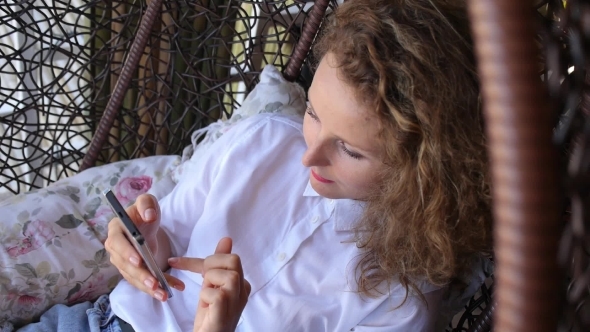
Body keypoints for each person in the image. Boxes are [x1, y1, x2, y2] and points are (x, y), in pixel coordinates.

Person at [19, 0, 492, 331]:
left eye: (349, 149)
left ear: (424, 168)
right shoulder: (262, 141)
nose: (308, 156)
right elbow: (171, 247)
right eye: (312, 112)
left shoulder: (403, 293)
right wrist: (143, 244)